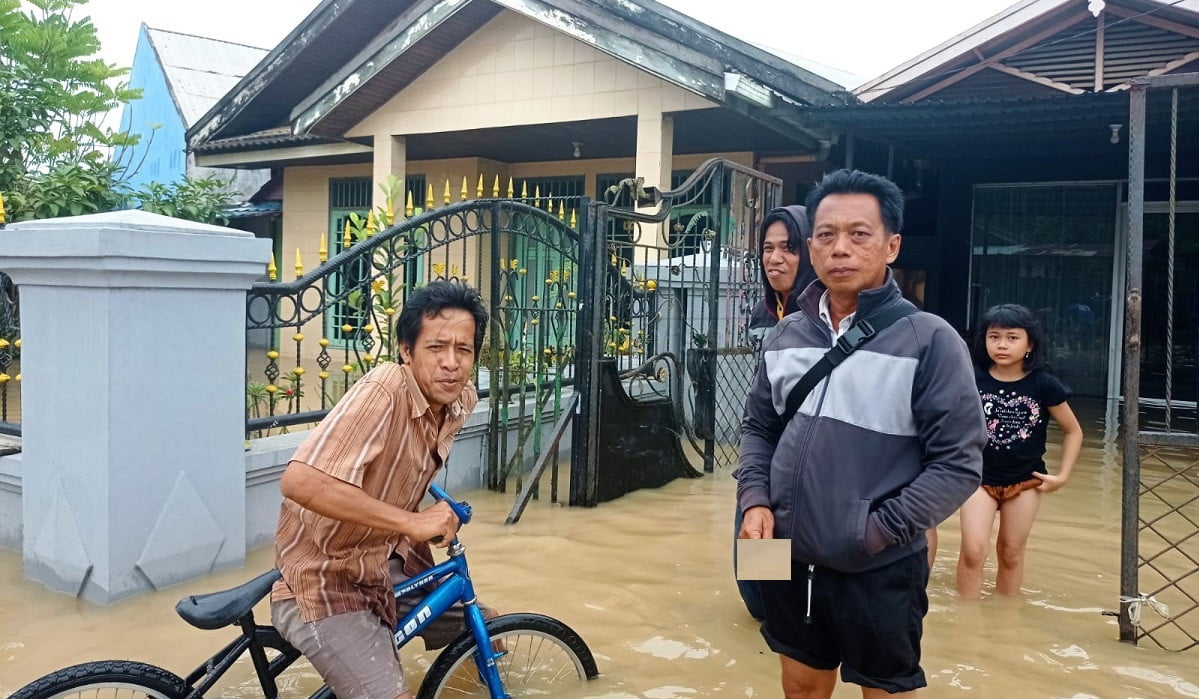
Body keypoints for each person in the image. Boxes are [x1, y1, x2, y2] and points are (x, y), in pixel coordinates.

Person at [736, 169, 986, 698]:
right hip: (783, 552)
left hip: (879, 563)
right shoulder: (784, 334)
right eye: (826, 235)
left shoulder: (929, 340)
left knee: (885, 691)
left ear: (891, 245)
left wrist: (876, 531)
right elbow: (759, 427)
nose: (839, 249)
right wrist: (754, 500)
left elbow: (959, 464)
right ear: (813, 245)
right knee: (798, 684)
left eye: (859, 234)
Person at [270, 280, 494, 699]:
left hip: (382, 562)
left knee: (489, 629)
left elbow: (404, 465)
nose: (451, 363)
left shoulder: (462, 400)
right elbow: (298, 480)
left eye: (463, 350)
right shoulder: (385, 389)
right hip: (324, 574)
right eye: (435, 348)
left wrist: (429, 518)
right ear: (406, 351)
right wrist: (411, 521)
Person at [956, 303, 1083, 599]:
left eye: (1012, 337)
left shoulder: (1043, 384)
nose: (1001, 345)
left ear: (1030, 345)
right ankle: (966, 620)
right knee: (973, 550)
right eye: (994, 336)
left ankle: (1006, 621)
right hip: (977, 478)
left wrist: (1063, 476)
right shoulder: (970, 379)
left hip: (1026, 480)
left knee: (1011, 553)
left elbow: (1073, 430)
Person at [737, 205, 816, 621]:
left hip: (806, 463)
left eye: (788, 248)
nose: (774, 258)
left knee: (790, 592)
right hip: (764, 453)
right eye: (767, 248)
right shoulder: (763, 313)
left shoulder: (825, 322)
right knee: (756, 589)